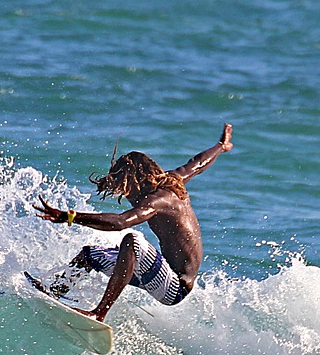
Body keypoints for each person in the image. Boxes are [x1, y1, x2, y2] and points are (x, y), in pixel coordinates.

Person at [31, 124, 233, 321]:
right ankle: (54, 293)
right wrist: (220, 146)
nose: (127, 195)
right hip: (156, 274)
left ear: (137, 181)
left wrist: (71, 216)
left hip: (174, 287)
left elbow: (121, 222)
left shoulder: (159, 199)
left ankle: (99, 313)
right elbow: (197, 164)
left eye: (126, 188)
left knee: (132, 241)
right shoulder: (172, 180)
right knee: (89, 255)